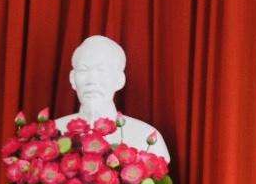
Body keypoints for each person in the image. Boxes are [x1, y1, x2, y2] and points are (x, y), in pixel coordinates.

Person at [55, 35, 171, 164]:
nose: (91, 80)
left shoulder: (146, 137)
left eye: (102, 70)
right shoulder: (53, 133)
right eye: (83, 70)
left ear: (120, 80)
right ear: (72, 79)